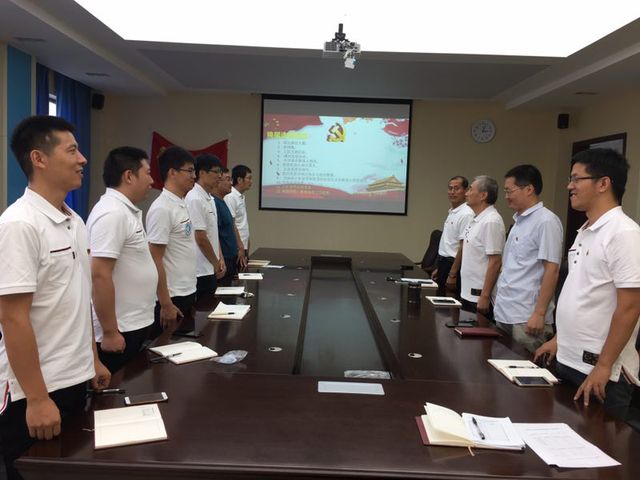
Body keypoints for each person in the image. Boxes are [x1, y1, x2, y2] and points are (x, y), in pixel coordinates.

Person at [0, 115, 110, 479]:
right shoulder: (20, 224)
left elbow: (78, 300)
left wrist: (92, 359)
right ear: (39, 158)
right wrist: (36, 398)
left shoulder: (74, 220)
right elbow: (12, 318)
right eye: (72, 150)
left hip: (73, 378)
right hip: (35, 391)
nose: (83, 159)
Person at [535, 148, 640, 419]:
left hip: (600, 372)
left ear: (603, 183)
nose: (569, 186)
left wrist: (603, 366)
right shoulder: (586, 231)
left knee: (597, 443)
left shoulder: (624, 233)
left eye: (576, 179)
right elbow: (583, 293)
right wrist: (559, 339)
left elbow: (630, 307)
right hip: (568, 359)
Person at [86, 147, 158, 373]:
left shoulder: (126, 211)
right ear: (129, 176)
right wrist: (110, 332)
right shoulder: (112, 213)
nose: (152, 180)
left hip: (134, 323)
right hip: (120, 329)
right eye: (147, 173)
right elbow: (99, 274)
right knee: (119, 391)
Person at [493, 165, 563, 353]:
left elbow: (552, 270)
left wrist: (539, 313)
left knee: (524, 368)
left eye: (509, 191)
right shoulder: (519, 221)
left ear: (529, 189)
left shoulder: (546, 221)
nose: (506, 196)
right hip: (505, 311)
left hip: (526, 317)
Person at [146, 146, 197, 338]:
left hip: (187, 291)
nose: (194, 176)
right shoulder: (162, 208)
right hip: (172, 297)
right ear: (172, 172)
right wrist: (166, 303)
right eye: (189, 171)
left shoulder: (181, 203)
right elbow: (154, 258)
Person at [457, 175, 505, 315]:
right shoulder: (476, 218)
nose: (466, 193)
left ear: (483, 195)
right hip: (467, 292)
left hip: (479, 296)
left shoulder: (491, 221)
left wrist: (484, 296)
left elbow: (495, 261)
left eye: (470, 189)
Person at [185, 154, 226, 297]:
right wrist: (215, 263)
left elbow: (212, 232)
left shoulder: (210, 198)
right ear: (202, 173)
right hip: (200, 270)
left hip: (211, 266)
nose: (220, 176)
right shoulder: (194, 198)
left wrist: (220, 258)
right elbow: (201, 238)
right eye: (216, 172)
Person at [431, 176, 473, 294]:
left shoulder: (466, 214)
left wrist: (452, 273)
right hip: (444, 263)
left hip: (454, 265)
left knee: (449, 301)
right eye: (450, 188)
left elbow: (463, 247)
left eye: (456, 188)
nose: (452, 192)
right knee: (440, 298)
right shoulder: (453, 211)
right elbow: (450, 244)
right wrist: (440, 268)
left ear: (465, 191)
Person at [213, 168, 242, 285]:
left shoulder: (223, 201)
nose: (231, 183)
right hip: (224, 260)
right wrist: (220, 259)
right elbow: (215, 234)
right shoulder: (214, 203)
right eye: (228, 179)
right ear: (218, 181)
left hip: (231, 259)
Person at [224, 165, 252, 268]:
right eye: (249, 178)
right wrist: (240, 247)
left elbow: (242, 223)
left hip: (243, 246)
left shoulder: (240, 196)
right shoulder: (231, 197)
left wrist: (247, 242)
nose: (251, 181)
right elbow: (232, 223)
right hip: (236, 247)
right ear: (239, 180)